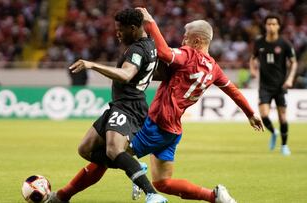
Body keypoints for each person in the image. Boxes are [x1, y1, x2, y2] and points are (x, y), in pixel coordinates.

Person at [127, 8, 264, 203]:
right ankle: (214, 196)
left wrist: (150, 24)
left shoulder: (188, 55)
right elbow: (233, 90)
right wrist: (250, 114)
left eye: (186, 38)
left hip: (158, 122)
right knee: (163, 182)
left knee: (115, 154)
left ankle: (69, 193)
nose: (183, 42)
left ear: (197, 41)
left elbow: (165, 52)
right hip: (173, 130)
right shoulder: (214, 68)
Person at [46, 8, 167, 203]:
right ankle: (133, 168)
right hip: (120, 105)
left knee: (113, 150)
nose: (117, 33)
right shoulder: (150, 44)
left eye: (121, 30)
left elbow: (127, 74)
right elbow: (154, 72)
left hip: (129, 106)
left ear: (134, 28)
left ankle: (152, 194)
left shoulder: (137, 50)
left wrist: (92, 65)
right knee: (85, 149)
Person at [249, 13, 298, 156]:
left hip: (280, 86)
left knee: (282, 117)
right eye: (268, 24)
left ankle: (284, 146)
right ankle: (274, 132)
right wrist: (253, 70)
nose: (271, 26)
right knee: (263, 115)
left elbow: (294, 62)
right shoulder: (259, 43)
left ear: (278, 26)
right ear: (265, 26)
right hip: (264, 85)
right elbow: (253, 58)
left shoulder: (285, 44)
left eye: (274, 24)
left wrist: (290, 79)